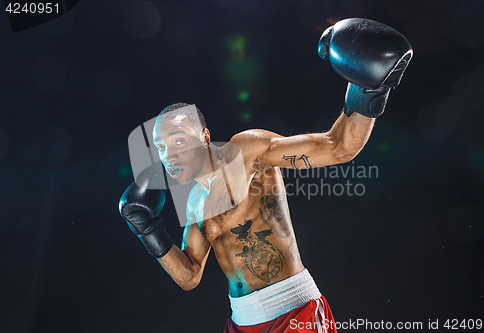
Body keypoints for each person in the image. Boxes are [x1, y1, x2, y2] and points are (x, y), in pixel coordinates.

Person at [119, 18, 412, 333]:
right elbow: (189, 276)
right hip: (242, 323)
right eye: (161, 148)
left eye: (178, 141)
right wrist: (149, 231)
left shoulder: (245, 151)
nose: (169, 155)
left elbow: (338, 147)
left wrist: (367, 87)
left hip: (293, 311)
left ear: (204, 136)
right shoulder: (193, 202)